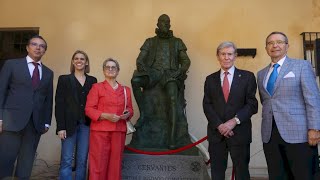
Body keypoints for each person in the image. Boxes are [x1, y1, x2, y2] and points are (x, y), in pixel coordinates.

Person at [257, 31, 320, 180]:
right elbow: (266, 101)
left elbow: (313, 99)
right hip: (270, 135)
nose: (275, 45)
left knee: (303, 175)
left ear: (287, 46)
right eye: (270, 43)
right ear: (266, 48)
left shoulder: (302, 66)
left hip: (299, 133)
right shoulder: (261, 74)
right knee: (277, 175)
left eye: (279, 42)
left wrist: (314, 128)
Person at [131, 14, 191, 149]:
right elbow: (140, 59)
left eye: (168, 22)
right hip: (153, 73)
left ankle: (172, 137)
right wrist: (144, 68)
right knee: (135, 81)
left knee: (172, 98)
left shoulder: (177, 42)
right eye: (163, 22)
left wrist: (179, 72)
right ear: (157, 24)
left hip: (170, 75)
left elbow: (186, 61)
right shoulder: (150, 41)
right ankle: (143, 114)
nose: (166, 24)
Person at [0, 35, 53, 179]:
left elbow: (48, 99)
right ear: (27, 47)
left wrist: (47, 122)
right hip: (11, 122)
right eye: (34, 44)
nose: (38, 47)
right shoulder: (11, 65)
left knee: (26, 163)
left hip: (34, 125)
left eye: (42, 46)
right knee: (4, 161)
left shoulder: (48, 73)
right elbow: (1, 91)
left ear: (44, 51)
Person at [203, 41, 258, 180]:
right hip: (216, 134)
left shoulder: (247, 77)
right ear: (218, 56)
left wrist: (234, 121)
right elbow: (207, 105)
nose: (226, 57)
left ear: (235, 56)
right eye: (223, 54)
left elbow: (252, 104)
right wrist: (220, 125)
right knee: (217, 173)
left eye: (230, 54)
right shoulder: (210, 79)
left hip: (239, 133)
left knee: (242, 173)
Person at [85, 58, 133, 180]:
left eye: (113, 67)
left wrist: (127, 114)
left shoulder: (125, 90)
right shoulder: (96, 87)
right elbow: (89, 109)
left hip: (118, 130)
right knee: (98, 164)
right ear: (103, 70)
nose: (110, 69)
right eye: (108, 67)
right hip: (100, 131)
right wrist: (106, 115)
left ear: (118, 71)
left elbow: (130, 109)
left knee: (115, 165)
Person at [55, 50, 97, 180]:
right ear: (73, 62)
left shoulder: (92, 80)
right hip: (68, 125)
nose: (79, 61)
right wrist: (60, 127)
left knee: (82, 159)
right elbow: (59, 104)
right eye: (76, 59)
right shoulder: (64, 79)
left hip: (86, 125)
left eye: (82, 59)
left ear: (86, 62)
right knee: (67, 159)